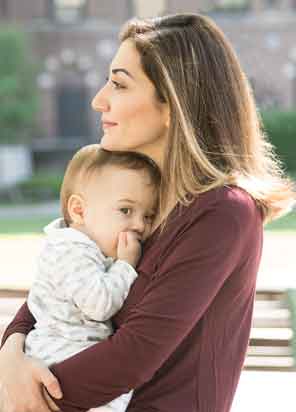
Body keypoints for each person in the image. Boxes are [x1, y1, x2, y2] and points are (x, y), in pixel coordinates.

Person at [0, 12, 295, 412]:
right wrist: (10, 356)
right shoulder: (133, 205)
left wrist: (24, 396)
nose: (98, 99)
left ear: (174, 105)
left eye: (119, 84)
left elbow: (134, 355)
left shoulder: (223, 214)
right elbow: (49, 294)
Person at [24, 145, 161, 412]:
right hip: (60, 356)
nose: (139, 226)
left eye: (147, 216)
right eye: (125, 210)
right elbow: (99, 305)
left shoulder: (88, 248)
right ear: (79, 210)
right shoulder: (70, 250)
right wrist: (125, 265)